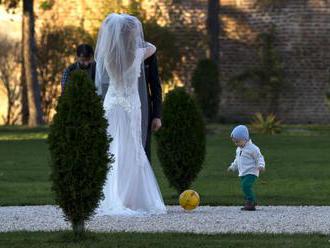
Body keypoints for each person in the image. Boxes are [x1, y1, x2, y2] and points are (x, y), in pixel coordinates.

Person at [95, 13, 166, 216]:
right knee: (132, 148)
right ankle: (131, 198)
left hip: (111, 104)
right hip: (131, 105)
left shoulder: (107, 53)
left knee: (113, 147)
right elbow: (153, 47)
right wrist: (135, 37)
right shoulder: (139, 52)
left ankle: (111, 196)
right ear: (131, 34)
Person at [227, 125, 266, 211]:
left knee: (246, 185)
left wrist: (261, 166)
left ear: (245, 138)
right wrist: (233, 166)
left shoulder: (253, 148)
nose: (236, 144)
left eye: (237, 141)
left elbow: (260, 157)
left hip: (251, 171)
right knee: (244, 187)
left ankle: (252, 201)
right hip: (243, 172)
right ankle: (248, 202)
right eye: (234, 142)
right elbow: (237, 159)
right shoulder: (239, 149)